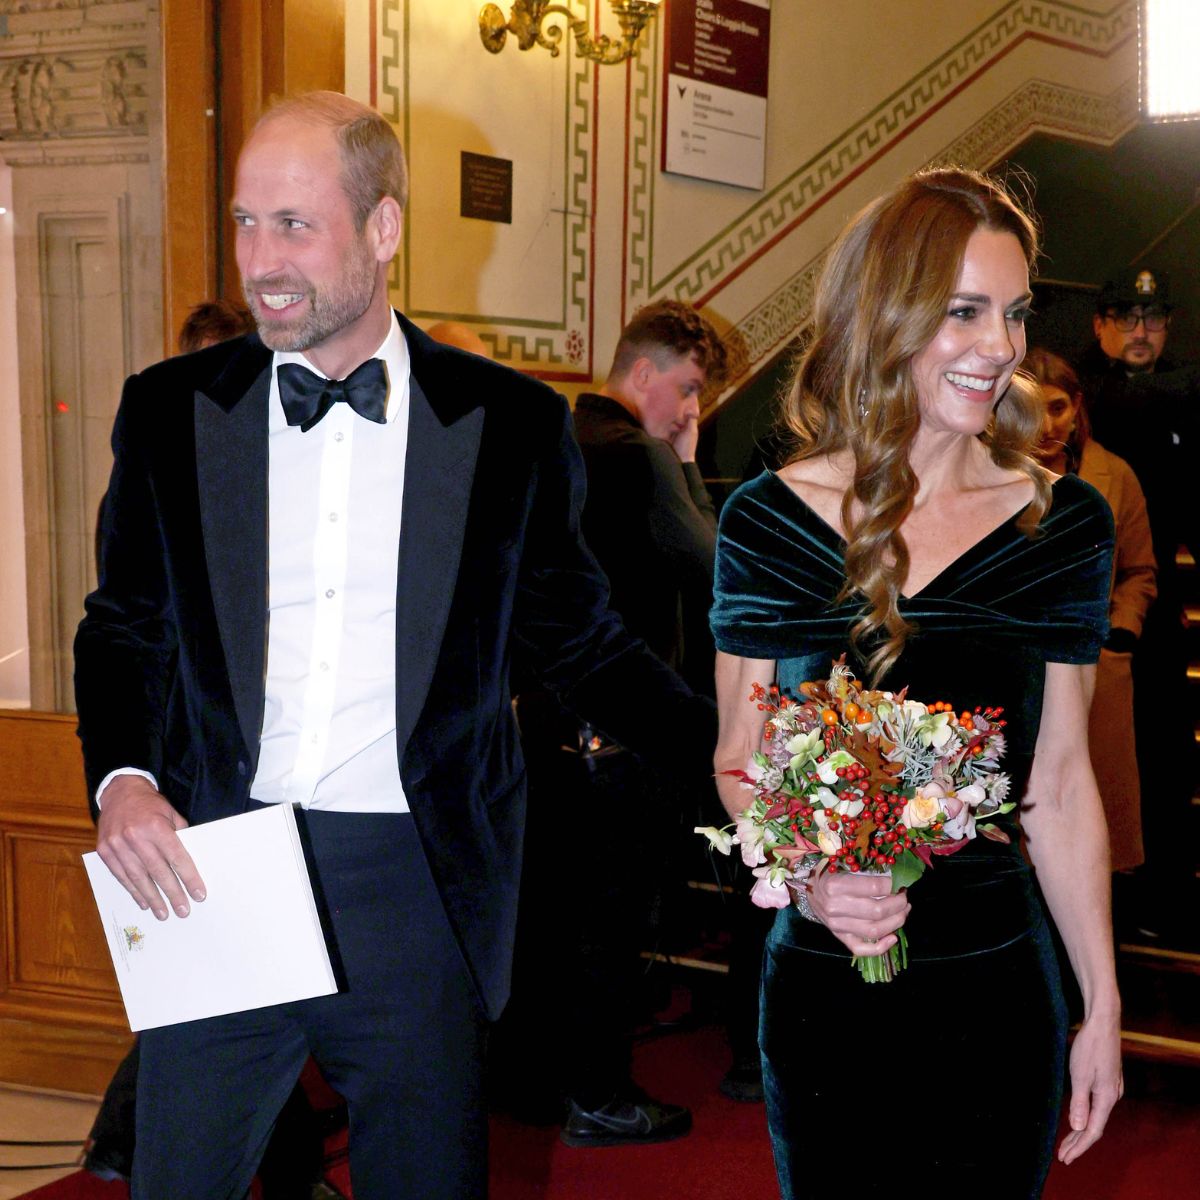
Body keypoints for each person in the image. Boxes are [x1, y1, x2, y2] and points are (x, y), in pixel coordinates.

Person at [74, 91, 714, 1200]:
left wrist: (739, 764)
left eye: (294, 225)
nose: (260, 261)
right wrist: (123, 779)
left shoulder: (508, 425)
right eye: (244, 223)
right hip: (216, 867)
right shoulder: (169, 411)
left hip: (416, 880)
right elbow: (123, 623)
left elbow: (586, 644)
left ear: (382, 228)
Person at [710, 168, 1122, 1198]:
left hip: (997, 985)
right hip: (824, 984)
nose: (1003, 347)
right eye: (964, 312)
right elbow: (737, 761)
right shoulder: (767, 519)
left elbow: (1063, 789)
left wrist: (1102, 1005)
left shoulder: (1061, 525)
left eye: (1016, 314)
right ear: (886, 315)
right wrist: (810, 878)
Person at [502, 301, 726, 1145]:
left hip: (541, 733)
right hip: (625, 736)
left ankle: (527, 1085)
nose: (692, 410)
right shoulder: (642, 454)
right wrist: (690, 465)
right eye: (690, 389)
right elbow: (713, 566)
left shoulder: (550, 438)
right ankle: (598, 1093)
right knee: (611, 930)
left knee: (543, 924)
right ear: (643, 374)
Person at [1075, 268, 1199, 935]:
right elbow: (1131, 405)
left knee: (1165, 751)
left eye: (1152, 318)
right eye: (1126, 318)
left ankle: (1164, 896)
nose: (1141, 331)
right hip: (1083, 607)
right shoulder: (1079, 395)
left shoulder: (1182, 390)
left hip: (1155, 603)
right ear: (1100, 326)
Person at [1025, 346, 1156, 875]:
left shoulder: (1112, 473)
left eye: (1056, 407)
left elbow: (1140, 571)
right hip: (1021, 666)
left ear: (1077, 406)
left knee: (1094, 817)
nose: (1045, 425)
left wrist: (1120, 631)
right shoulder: (988, 475)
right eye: (1029, 409)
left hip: (1097, 668)